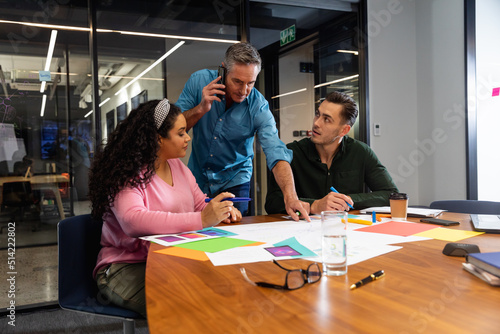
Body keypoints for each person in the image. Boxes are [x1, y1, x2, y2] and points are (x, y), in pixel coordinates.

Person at [88, 99, 242, 317]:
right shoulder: (127, 172)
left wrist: (220, 211)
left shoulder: (176, 165)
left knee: (218, 291)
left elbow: (199, 204)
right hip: (125, 268)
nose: (188, 137)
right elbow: (133, 221)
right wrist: (202, 220)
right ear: (157, 138)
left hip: (169, 259)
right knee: (185, 307)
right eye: (181, 133)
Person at [175, 42, 309, 221]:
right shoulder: (198, 81)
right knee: (198, 229)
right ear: (223, 71)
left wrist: (291, 197)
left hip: (235, 180)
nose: (244, 90)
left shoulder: (258, 106)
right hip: (197, 176)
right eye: (237, 81)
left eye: (250, 83)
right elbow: (174, 129)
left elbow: (276, 152)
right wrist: (200, 108)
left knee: (233, 230)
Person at [265, 91, 398, 214]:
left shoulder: (361, 152)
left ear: (344, 131)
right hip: (301, 230)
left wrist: (345, 200)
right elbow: (272, 202)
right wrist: (315, 205)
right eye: (318, 114)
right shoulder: (292, 153)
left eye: (327, 119)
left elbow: (391, 195)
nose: (316, 123)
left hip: (346, 230)